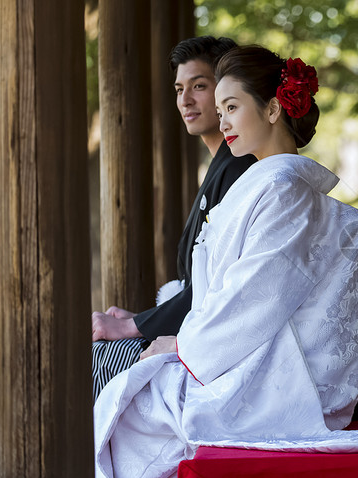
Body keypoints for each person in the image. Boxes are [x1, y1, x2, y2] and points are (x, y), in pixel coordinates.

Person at [94, 45, 358, 478]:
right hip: (244, 359)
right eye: (220, 108)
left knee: (113, 393)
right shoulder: (269, 184)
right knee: (114, 379)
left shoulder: (283, 190)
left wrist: (181, 346)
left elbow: (252, 299)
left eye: (232, 106)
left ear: (274, 109)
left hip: (278, 385)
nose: (222, 121)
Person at [90, 36, 256, 399]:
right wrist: (143, 320)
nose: (185, 99)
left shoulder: (240, 168)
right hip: (201, 336)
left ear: (228, 90)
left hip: (222, 356)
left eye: (199, 86)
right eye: (179, 88)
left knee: (91, 359)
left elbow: (216, 289)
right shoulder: (222, 167)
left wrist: (133, 326)